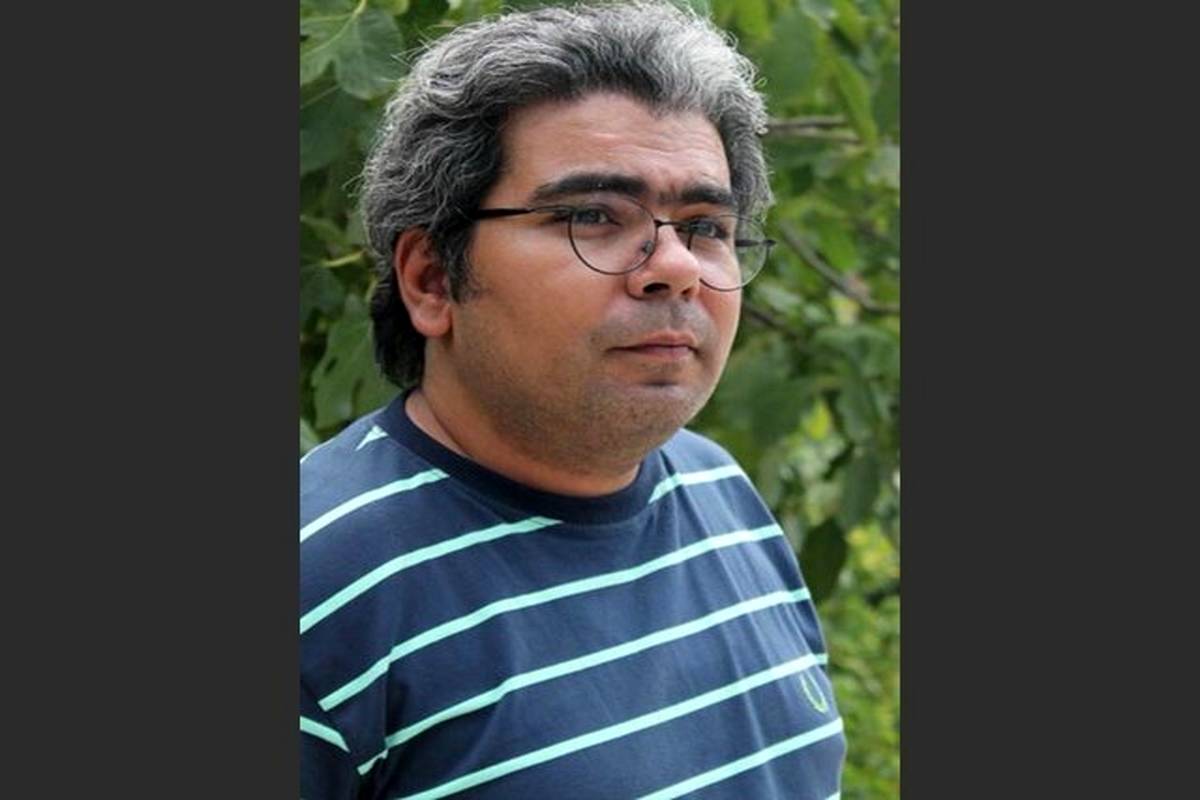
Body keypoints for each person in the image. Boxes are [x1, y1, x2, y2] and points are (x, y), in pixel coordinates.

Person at [300, 2, 846, 798]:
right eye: (592, 216)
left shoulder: (721, 493)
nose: (676, 267)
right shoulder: (320, 589)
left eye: (705, 226)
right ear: (432, 279)